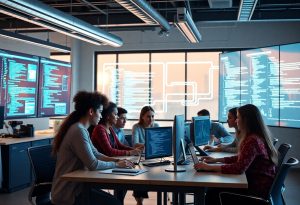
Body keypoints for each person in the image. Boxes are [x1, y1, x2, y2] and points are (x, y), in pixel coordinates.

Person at [51, 91, 133, 205]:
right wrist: (116, 165)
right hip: (68, 193)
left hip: (79, 188)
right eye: (99, 112)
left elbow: (96, 154)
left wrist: (117, 160)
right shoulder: (78, 130)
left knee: (114, 201)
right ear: (91, 111)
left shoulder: (81, 129)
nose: (101, 116)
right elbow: (93, 164)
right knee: (115, 203)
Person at [194, 104, 278, 205]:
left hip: (256, 190)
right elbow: (241, 158)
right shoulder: (253, 137)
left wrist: (209, 167)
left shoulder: (252, 140)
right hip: (258, 184)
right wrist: (215, 160)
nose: (236, 120)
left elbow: (239, 168)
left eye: (238, 117)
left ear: (246, 120)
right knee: (214, 189)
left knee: (212, 193)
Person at [131, 105, 159, 205]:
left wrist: (147, 144)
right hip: (141, 156)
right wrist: (149, 143)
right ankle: (139, 201)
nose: (150, 119)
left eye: (152, 116)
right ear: (142, 116)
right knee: (140, 175)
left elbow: (158, 142)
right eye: (148, 116)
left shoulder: (156, 126)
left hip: (154, 155)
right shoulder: (136, 127)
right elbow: (135, 144)